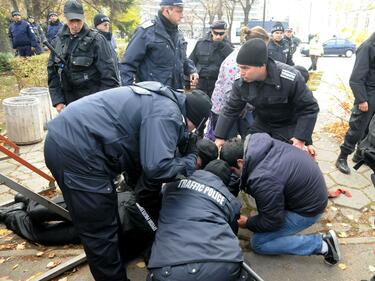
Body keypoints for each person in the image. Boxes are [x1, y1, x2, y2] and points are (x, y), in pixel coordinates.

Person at [44, 82, 212, 281]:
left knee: (108, 219)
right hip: (77, 153)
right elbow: (157, 167)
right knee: (101, 233)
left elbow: (137, 150)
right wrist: (190, 161)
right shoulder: (168, 114)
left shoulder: (161, 97)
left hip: (74, 139)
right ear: (196, 122)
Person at [220, 135, 341, 266]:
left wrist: (248, 223)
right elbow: (239, 178)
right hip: (310, 192)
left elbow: (272, 221)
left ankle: (322, 245)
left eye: (233, 170)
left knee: (259, 243)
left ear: (240, 162)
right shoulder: (256, 144)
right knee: (263, 209)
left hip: (309, 211)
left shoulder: (262, 179)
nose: (233, 174)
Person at [215, 38, 319, 156]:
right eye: (239, 67)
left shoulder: (290, 78)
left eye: (245, 68)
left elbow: (309, 108)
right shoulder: (241, 83)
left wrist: (301, 139)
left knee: (287, 160)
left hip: (288, 125)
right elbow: (230, 109)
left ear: (262, 65)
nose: (241, 72)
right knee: (249, 153)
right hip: (262, 123)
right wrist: (219, 137)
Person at [147, 160, 243, 281]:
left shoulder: (172, 185)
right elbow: (233, 230)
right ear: (224, 182)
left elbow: (157, 207)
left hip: (167, 268)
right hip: (221, 263)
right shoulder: (229, 198)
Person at [0, 191, 156, 264]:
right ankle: (28, 201)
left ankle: (12, 214)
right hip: (104, 205)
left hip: (106, 230)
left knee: (44, 236)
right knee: (38, 211)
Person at [47, 0, 120, 113]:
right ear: (65, 19)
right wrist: (58, 100)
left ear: (83, 18)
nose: (75, 25)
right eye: (72, 20)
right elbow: (52, 72)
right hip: (69, 104)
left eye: (78, 20)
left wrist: (102, 104)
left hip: (94, 103)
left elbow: (110, 77)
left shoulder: (97, 40)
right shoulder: (57, 41)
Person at [205, 26, 269, 141]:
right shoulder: (234, 63)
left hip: (243, 108)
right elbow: (230, 97)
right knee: (230, 145)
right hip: (224, 110)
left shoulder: (251, 59)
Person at [119, 0, 198, 90]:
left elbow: (181, 59)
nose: (182, 15)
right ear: (166, 10)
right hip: (152, 95)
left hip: (175, 94)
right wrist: (130, 94)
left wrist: (192, 71)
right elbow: (127, 65)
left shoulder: (179, 33)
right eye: (179, 11)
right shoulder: (146, 31)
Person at [335, 32, 375, 174]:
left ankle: (360, 154)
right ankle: (342, 157)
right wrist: (362, 99)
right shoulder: (368, 46)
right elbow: (356, 78)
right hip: (368, 93)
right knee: (357, 127)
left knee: (371, 129)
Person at [189, 20, 233, 97]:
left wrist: (223, 47)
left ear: (225, 33)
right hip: (200, 83)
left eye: (221, 34)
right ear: (212, 32)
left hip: (218, 84)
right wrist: (191, 86)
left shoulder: (228, 47)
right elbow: (191, 63)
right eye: (216, 33)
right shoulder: (201, 43)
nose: (218, 36)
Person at [93, 13, 120, 82]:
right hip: (101, 82)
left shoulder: (110, 38)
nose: (107, 26)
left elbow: (115, 59)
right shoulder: (94, 40)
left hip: (114, 79)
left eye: (108, 24)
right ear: (97, 25)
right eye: (105, 24)